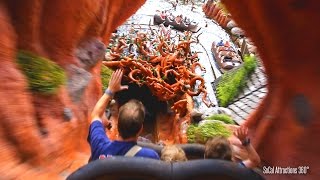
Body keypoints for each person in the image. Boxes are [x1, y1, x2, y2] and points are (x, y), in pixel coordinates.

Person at [88, 69, 160, 161]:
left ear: (118, 124)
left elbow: (96, 115)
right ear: (140, 129)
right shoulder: (150, 156)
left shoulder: (100, 146)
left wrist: (110, 90)